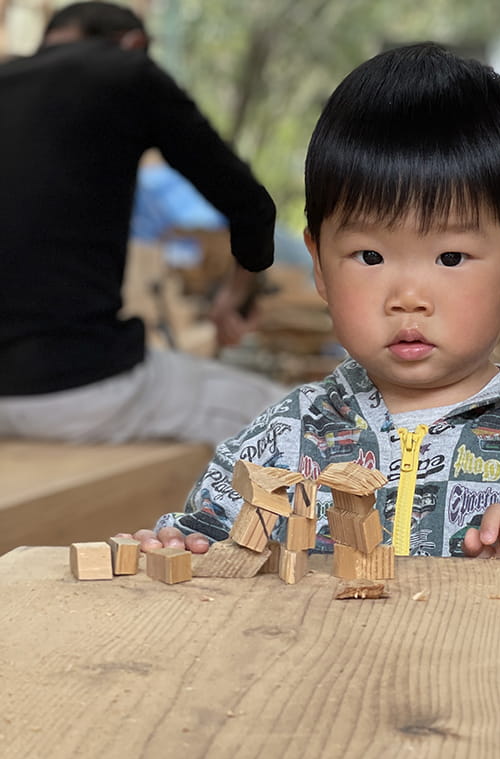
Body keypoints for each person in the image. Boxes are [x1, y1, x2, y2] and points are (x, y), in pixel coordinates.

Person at [135, 42, 500, 570]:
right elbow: (204, 537)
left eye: (451, 256)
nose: (408, 298)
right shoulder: (288, 434)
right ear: (319, 266)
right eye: (370, 255)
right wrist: (178, 549)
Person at [0, 1, 286, 445]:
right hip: (81, 386)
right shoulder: (126, 70)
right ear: (136, 44)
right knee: (301, 422)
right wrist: (234, 298)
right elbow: (251, 206)